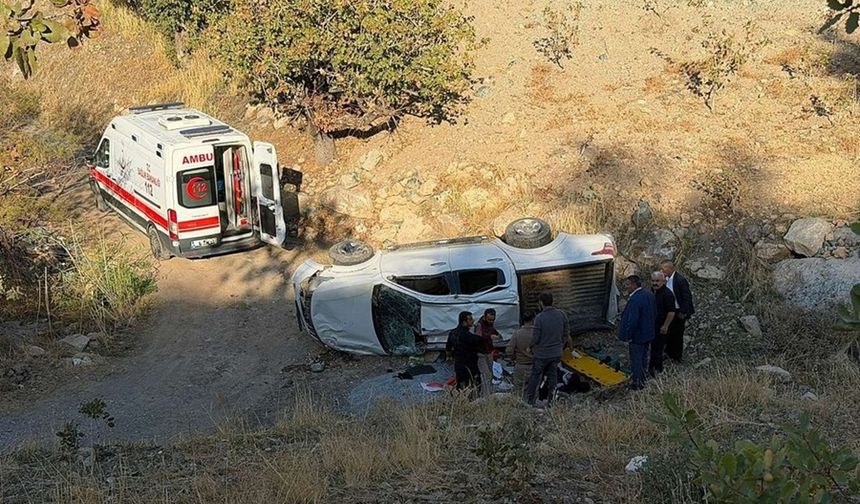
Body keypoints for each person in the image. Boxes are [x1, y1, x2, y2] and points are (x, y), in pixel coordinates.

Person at [525, 293, 571, 406]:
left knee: (535, 377)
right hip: (556, 354)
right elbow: (566, 334)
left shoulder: (539, 318)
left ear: (541, 303)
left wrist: (529, 347)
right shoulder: (561, 314)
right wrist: (561, 345)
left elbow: (536, 337)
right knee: (553, 377)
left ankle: (529, 401)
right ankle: (552, 401)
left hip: (541, 354)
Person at [618, 275, 657, 390]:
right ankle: (643, 378)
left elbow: (632, 320)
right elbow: (654, 313)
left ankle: (637, 382)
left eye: (628, 284)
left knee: (636, 359)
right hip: (648, 333)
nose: (626, 286)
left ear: (634, 285)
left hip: (637, 336)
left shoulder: (635, 300)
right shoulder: (649, 294)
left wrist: (628, 335)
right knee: (644, 356)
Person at [660, 261, 695, 362]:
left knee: (677, 334)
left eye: (663, 269)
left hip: (678, 311)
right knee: (668, 333)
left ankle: (677, 356)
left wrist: (683, 312)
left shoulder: (680, 280)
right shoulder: (665, 280)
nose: (662, 271)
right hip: (668, 311)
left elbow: (686, 297)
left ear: (670, 269)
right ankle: (668, 352)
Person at [446, 311, 484, 393]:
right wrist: (479, 331)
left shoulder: (452, 333)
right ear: (464, 321)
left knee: (461, 386)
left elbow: (448, 349)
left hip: (459, 364)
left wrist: (450, 357)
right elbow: (481, 344)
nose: (473, 321)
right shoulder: (468, 336)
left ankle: (462, 402)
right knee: (476, 385)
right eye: (470, 319)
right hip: (471, 365)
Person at [649, 271, 676, 377]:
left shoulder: (667, 294)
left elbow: (671, 311)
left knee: (658, 349)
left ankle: (658, 370)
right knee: (653, 348)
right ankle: (651, 368)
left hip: (661, 326)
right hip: (653, 324)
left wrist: (665, 326)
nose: (655, 283)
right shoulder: (653, 291)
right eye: (653, 281)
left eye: (657, 281)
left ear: (663, 281)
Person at [505, 310, 536, 396]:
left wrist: (513, 358)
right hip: (535, 366)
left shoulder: (517, 334)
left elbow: (509, 350)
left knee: (518, 391)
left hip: (520, 366)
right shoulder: (537, 334)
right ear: (533, 319)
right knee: (533, 391)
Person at [474, 308, 500, 397]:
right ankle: (485, 395)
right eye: (489, 320)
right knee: (486, 374)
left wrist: (497, 335)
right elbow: (478, 337)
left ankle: (487, 393)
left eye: (493, 320)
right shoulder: (479, 325)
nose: (491, 322)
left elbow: (495, 332)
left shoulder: (490, 324)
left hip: (489, 351)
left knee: (490, 374)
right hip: (481, 353)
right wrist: (490, 337)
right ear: (485, 317)